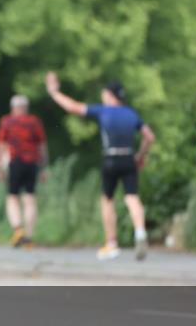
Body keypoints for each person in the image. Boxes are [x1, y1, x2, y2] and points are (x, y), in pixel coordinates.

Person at [46, 73, 155, 261]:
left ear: (111, 96)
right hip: (129, 157)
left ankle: (111, 243)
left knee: (107, 199)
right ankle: (140, 233)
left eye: (105, 94)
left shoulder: (103, 111)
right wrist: (140, 156)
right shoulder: (131, 113)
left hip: (111, 158)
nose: (103, 97)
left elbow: (73, 107)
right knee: (132, 198)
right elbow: (149, 136)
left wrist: (55, 93)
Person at [0, 95, 47, 249]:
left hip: (15, 162)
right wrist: (44, 168)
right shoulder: (34, 122)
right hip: (32, 162)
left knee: (12, 197)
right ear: (26, 107)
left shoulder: (7, 121)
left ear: (13, 108)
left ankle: (18, 230)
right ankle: (29, 236)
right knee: (30, 198)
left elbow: (1, 145)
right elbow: (42, 147)